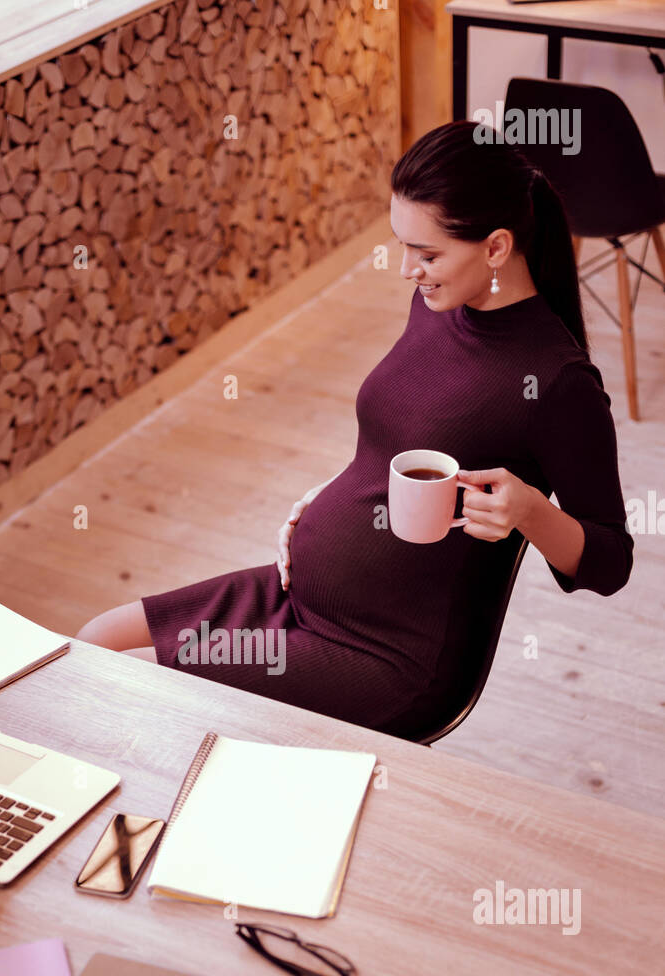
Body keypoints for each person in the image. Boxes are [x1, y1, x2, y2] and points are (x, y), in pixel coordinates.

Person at [76, 120, 633, 738]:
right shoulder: (436, 303)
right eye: (401, 245)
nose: (406, 271)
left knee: (133, 684)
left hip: (385, 657)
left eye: (426, 254)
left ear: (497, 248)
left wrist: (528, 510)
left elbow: (610, 562)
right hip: (301, 595)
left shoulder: (557, 383)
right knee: (94, 642)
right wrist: (323, 504)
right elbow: (396, 436)